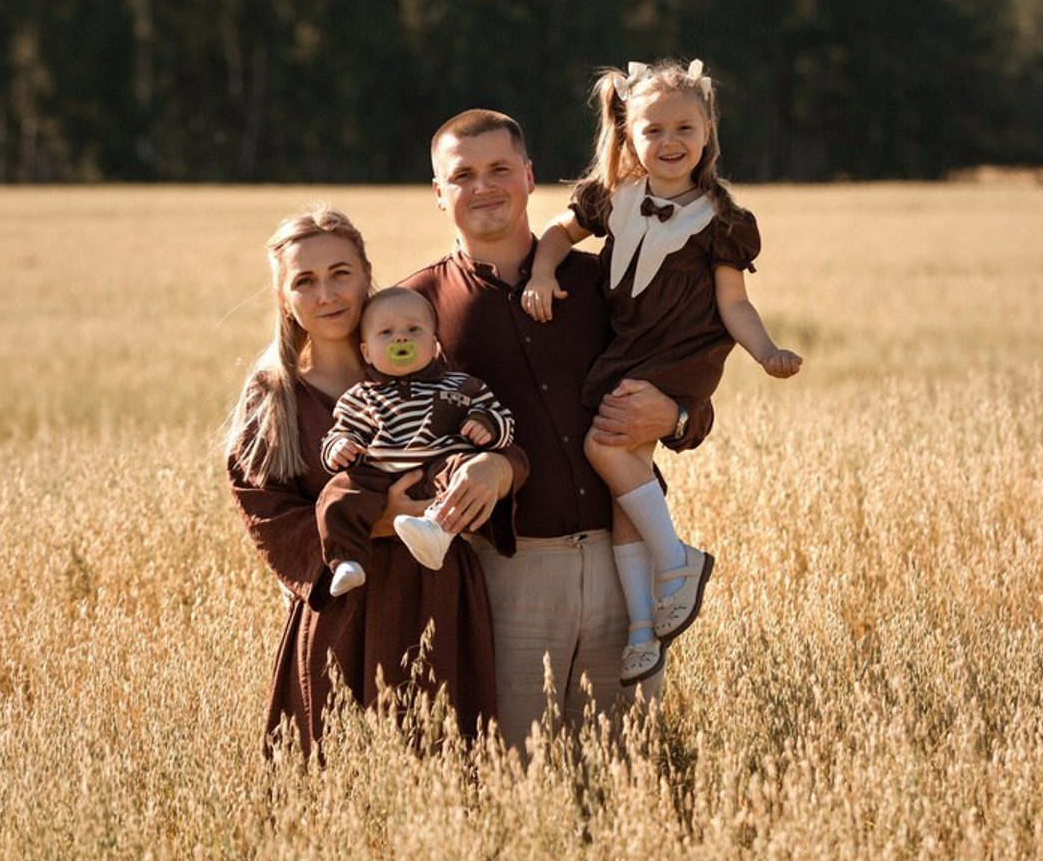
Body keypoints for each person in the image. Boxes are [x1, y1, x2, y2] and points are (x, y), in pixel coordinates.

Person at [401, 109, 713, 751]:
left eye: (499, 169)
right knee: (514, 770)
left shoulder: (607, 280)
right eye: (462, 175)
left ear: (529, 176)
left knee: (626, 766)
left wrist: (676, 416)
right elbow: (394, 432)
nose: (483, 186)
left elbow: (688, 375)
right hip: (506, 573)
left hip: (626, 567)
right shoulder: (415, 309)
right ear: (437, 191)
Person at [522, 59, 802, 684]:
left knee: (603, 445)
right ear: (629, 133)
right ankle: (643, 631)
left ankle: (677, 563)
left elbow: (734, 304)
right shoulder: (613, 196)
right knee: (626, 486)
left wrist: (766, 352)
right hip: (627, 350)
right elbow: (557, 234)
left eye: (684, 128)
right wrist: (542, 272)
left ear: (707, 132)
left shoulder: (722, 221)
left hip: (681, 356)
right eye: (653, 130)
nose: (670, 142)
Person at [226, 207, 525, 755]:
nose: (326, 294)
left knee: (446, 759)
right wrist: (378, 522)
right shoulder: (275, 397)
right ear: (283, 297)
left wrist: (499, 468)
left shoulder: (428, 363)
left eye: (340, 273)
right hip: (343, 607)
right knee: (341, 769)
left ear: (367, 274)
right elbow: (266, 513)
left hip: (439, 593)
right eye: (304, 281)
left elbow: (500, 440)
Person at [318, 286, 515, 595]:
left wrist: (485, 424)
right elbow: (341, 432)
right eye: (386, 332)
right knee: (337, 493)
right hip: (380, 475)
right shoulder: (359, 397)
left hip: (439, 467)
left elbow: (503, 419)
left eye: (413, 329)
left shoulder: (462, 385)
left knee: (464, 470)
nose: (401, 338)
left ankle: (437, 529)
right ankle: (347, 560)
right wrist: (340, 447)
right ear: (367, 352)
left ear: (434, 344)